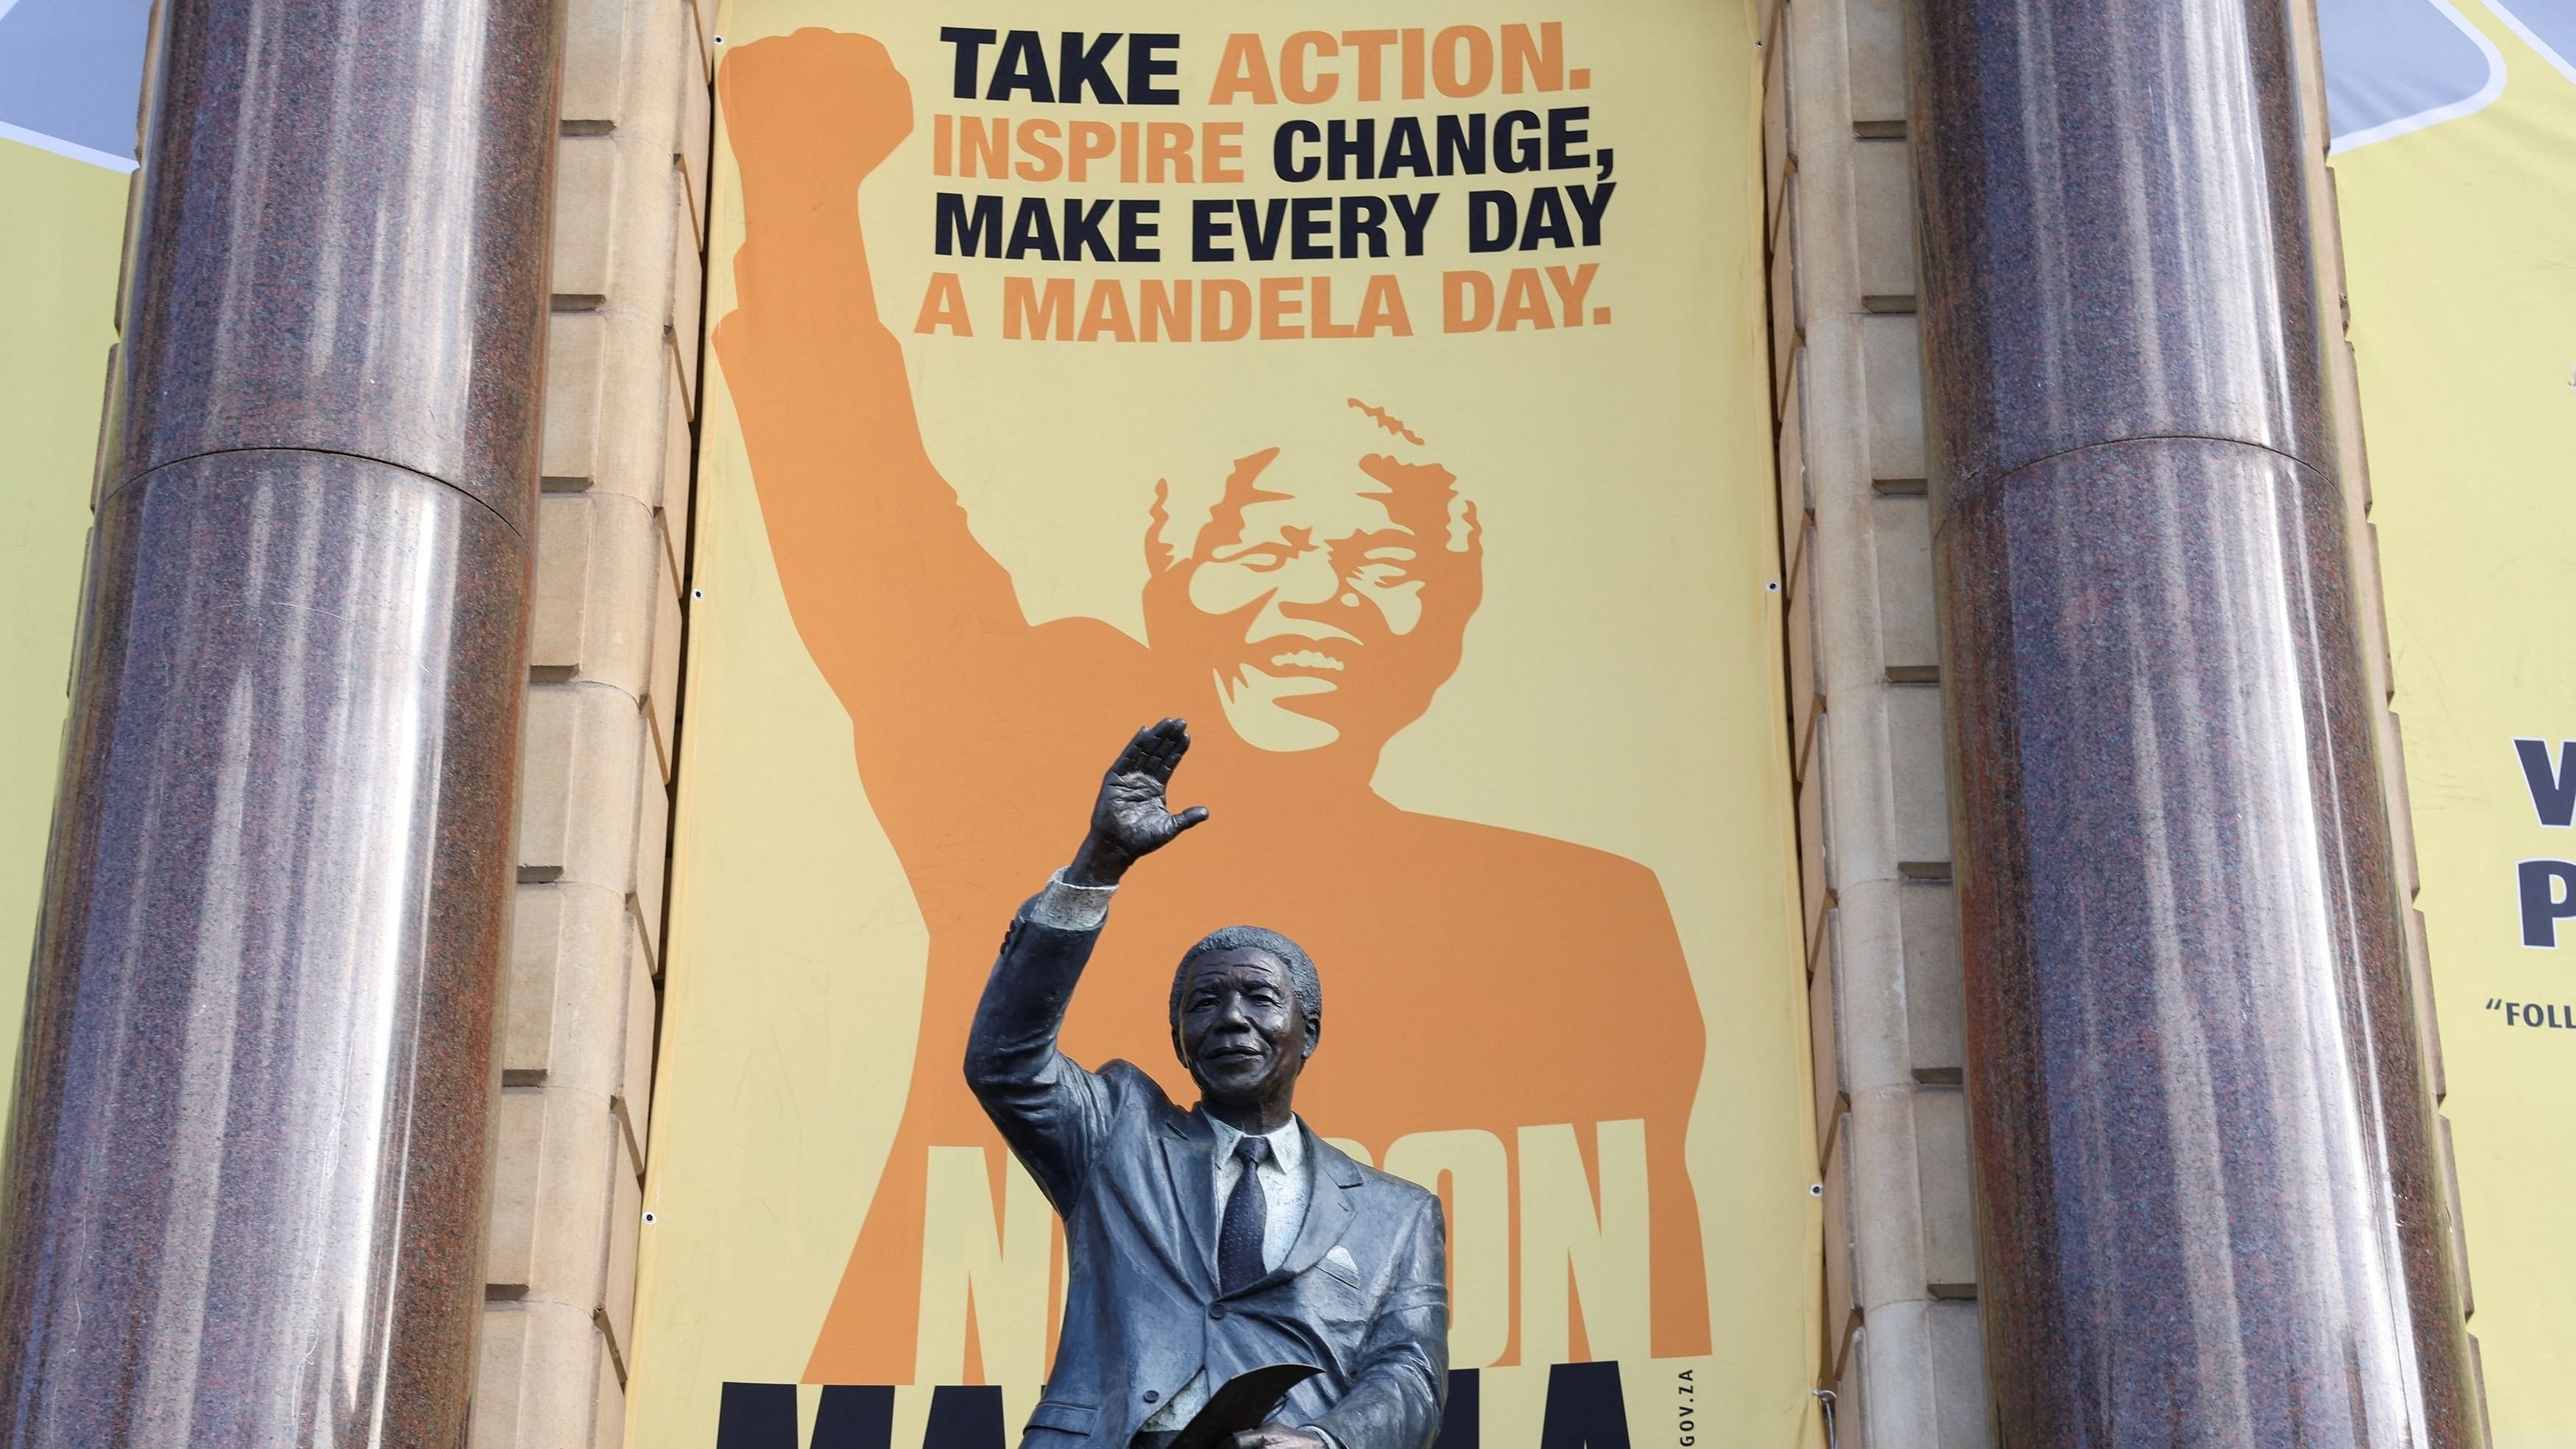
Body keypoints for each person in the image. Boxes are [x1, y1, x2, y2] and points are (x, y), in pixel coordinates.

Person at [715, 28, 1712, 1381]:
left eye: (1385, 558)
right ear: (1168, 582)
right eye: (1260, 543)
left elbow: (1442, 1364)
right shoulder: (1038, 741)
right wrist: (806, 189)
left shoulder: (1586, 913)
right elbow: (867, 503)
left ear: (1456, 616)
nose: (1322, 593)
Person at [968, 720, 1445, 1449]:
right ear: (1179, 1044)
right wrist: (1098, 862)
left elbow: (1406, 1371)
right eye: (1203, 1003)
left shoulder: (1396, 1216)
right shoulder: (1113, 1133)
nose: (1230, 1018)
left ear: (1307, 1031)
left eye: (1258, 997)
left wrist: (1323, 1441)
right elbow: (1004, 1060)